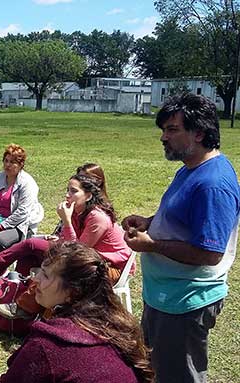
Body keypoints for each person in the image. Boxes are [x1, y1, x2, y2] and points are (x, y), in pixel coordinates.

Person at [122, 93, 240, 383]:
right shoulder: (190, 169)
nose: (163, 137)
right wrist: (149, 222)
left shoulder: (213, 184)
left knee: (178, 377)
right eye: (163, 129)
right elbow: (184, 219)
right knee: (158, 370)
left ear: (199, 133)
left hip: (185, 303)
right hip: (166, 297)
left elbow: (209, 252)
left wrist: (152, 245)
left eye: (172, 129)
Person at [0, 241, 153, 383]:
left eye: (45, 275)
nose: (35, 280)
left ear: (72, 291)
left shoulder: (48, 344)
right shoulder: (113, 326)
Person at [0, 171, 131, 318]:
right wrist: (58, 236)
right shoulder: (78, 210)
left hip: (109, 269)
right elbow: (69, 243)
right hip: (87, 260)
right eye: (67, 190)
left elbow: (77, 253)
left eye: (73, 191)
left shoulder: (97, 218)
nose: (67, 195)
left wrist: (66, 220)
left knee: (32, 244)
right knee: (30, 256)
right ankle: (23, 304)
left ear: (88, 196)